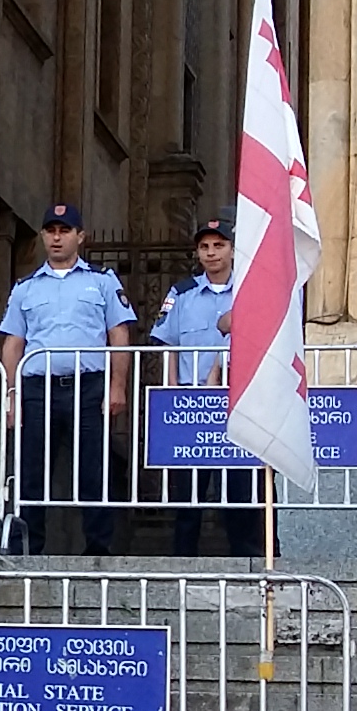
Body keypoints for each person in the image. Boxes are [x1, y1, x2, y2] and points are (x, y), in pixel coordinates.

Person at [0, 204, 135, 557]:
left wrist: (117, 386)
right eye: (51, 231)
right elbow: (13, 343)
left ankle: (98, 547)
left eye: (65, 231)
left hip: (88, 386)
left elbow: (119, 334)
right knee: (30, 469)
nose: (57, 237)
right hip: (37, 389)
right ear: (43, 236)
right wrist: (11, 395)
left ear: (80, 236)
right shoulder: (25, 288)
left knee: (94, 468)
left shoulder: (102, 281)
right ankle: (27, 546)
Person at [148, 218, 258, 557]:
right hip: (192, 403)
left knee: (241, 489)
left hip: (240, 401)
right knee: (189, 492)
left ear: (232, 249)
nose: (211, 253)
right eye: (204, 247)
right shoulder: (182, 293)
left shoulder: (251, 289)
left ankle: (247, 559)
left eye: (218, 245)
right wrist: (170, 392)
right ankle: (184, 559)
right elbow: (168, 343)